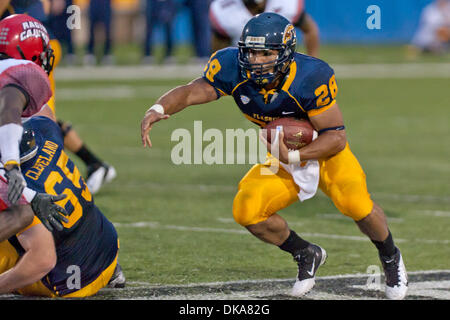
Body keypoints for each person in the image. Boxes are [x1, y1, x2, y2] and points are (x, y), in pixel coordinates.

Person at [140, 13, 408, 299]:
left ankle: (391, 257)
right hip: (282, 153)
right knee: (247, 209)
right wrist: (157, 109)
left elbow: (336, 137)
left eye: (266, 53)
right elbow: (193, 91)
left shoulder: (310, 77)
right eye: (252, 52)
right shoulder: (232, 67)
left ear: (286, 53)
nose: (257, 60)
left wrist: (296, 157)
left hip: (324, 151)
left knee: (356, 204)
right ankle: (306, 254)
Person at [0, 115, 125, 296]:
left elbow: (42, 261)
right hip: (107, 250)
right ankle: (112, 272)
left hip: (70, 282)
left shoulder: (21, 190)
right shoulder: (43, 129)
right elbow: (47, 114)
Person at [0, 2, 117, 195]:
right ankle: (94, 163)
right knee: (29, 116)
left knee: (38, 119)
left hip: (28, 48)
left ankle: (49, 181)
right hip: (27, 45)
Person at [0, 13, 70, 239]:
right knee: (22, 215)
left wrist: (29, 195)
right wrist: (12, 166)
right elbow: (9, 111)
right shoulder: (21, 73)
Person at [209, 0, 320, 57]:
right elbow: (218, 53)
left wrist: (313, 61)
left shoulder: (286, 5)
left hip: (282, 65)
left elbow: (310, 29)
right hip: (245, 67)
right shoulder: (224, 10)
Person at [142, 0, 177, 65]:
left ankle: (169, 54)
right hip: (153, 2)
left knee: (168, 28)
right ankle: (148, 55)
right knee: (149, 29)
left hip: (167, 2)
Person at [85, 0, 114, 66]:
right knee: (91, 28)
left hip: (105, 3)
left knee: (107, 28)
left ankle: (107, 53)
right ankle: (90, 52)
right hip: (94, 2)